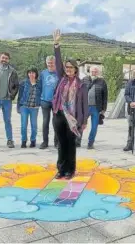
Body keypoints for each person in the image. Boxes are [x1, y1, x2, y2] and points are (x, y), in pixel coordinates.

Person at [51, 29, 89, 180]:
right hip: (59, 114)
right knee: (61, 143)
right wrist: (56, 44)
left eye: (70, 68)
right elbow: (58, 61)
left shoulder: (82, 85)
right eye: (66, 68)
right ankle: (61, 170)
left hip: (73, 118)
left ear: (75, 69)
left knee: (70, 144)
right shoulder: (62, 78)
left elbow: (85, 105)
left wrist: (85, 121)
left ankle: (70, 170)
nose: (67, 70)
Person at [81, 66, 108, 149]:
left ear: (98, 72)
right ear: (89, 71)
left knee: (94, 126)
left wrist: (104, 109)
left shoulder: (102, 81)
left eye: (96, 71)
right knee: (81, 124)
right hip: (85, 107)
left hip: (97, 108)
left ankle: (90, 142)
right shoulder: (84, 80)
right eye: (92, 71)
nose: (94, 73)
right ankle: (77, 141)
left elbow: (105, 96)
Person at [17, 68, 42, 148]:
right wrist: (19, 107)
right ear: (28, 74)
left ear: (36, 74)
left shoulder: (39, 83)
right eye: (29, 73)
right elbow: (19, 96)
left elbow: (41, 94)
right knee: (24, 125)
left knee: (34, 125)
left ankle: (33, 140)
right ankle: (24, 141)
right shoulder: (23, 83)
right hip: (24, 107)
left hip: (35, 107)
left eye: (33, 73)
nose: (31, 74)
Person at [39, 55, 59, 149]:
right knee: (45, 121)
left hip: (56, 102)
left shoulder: (59, 73)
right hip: (45, 101)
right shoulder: (43, 73)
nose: (50, 64)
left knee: (56, 122)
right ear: (46, 63)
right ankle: (45, 142)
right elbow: (39, 86)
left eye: (52, 63)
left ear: (55, 63)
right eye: (49, 63)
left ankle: (57, 142)